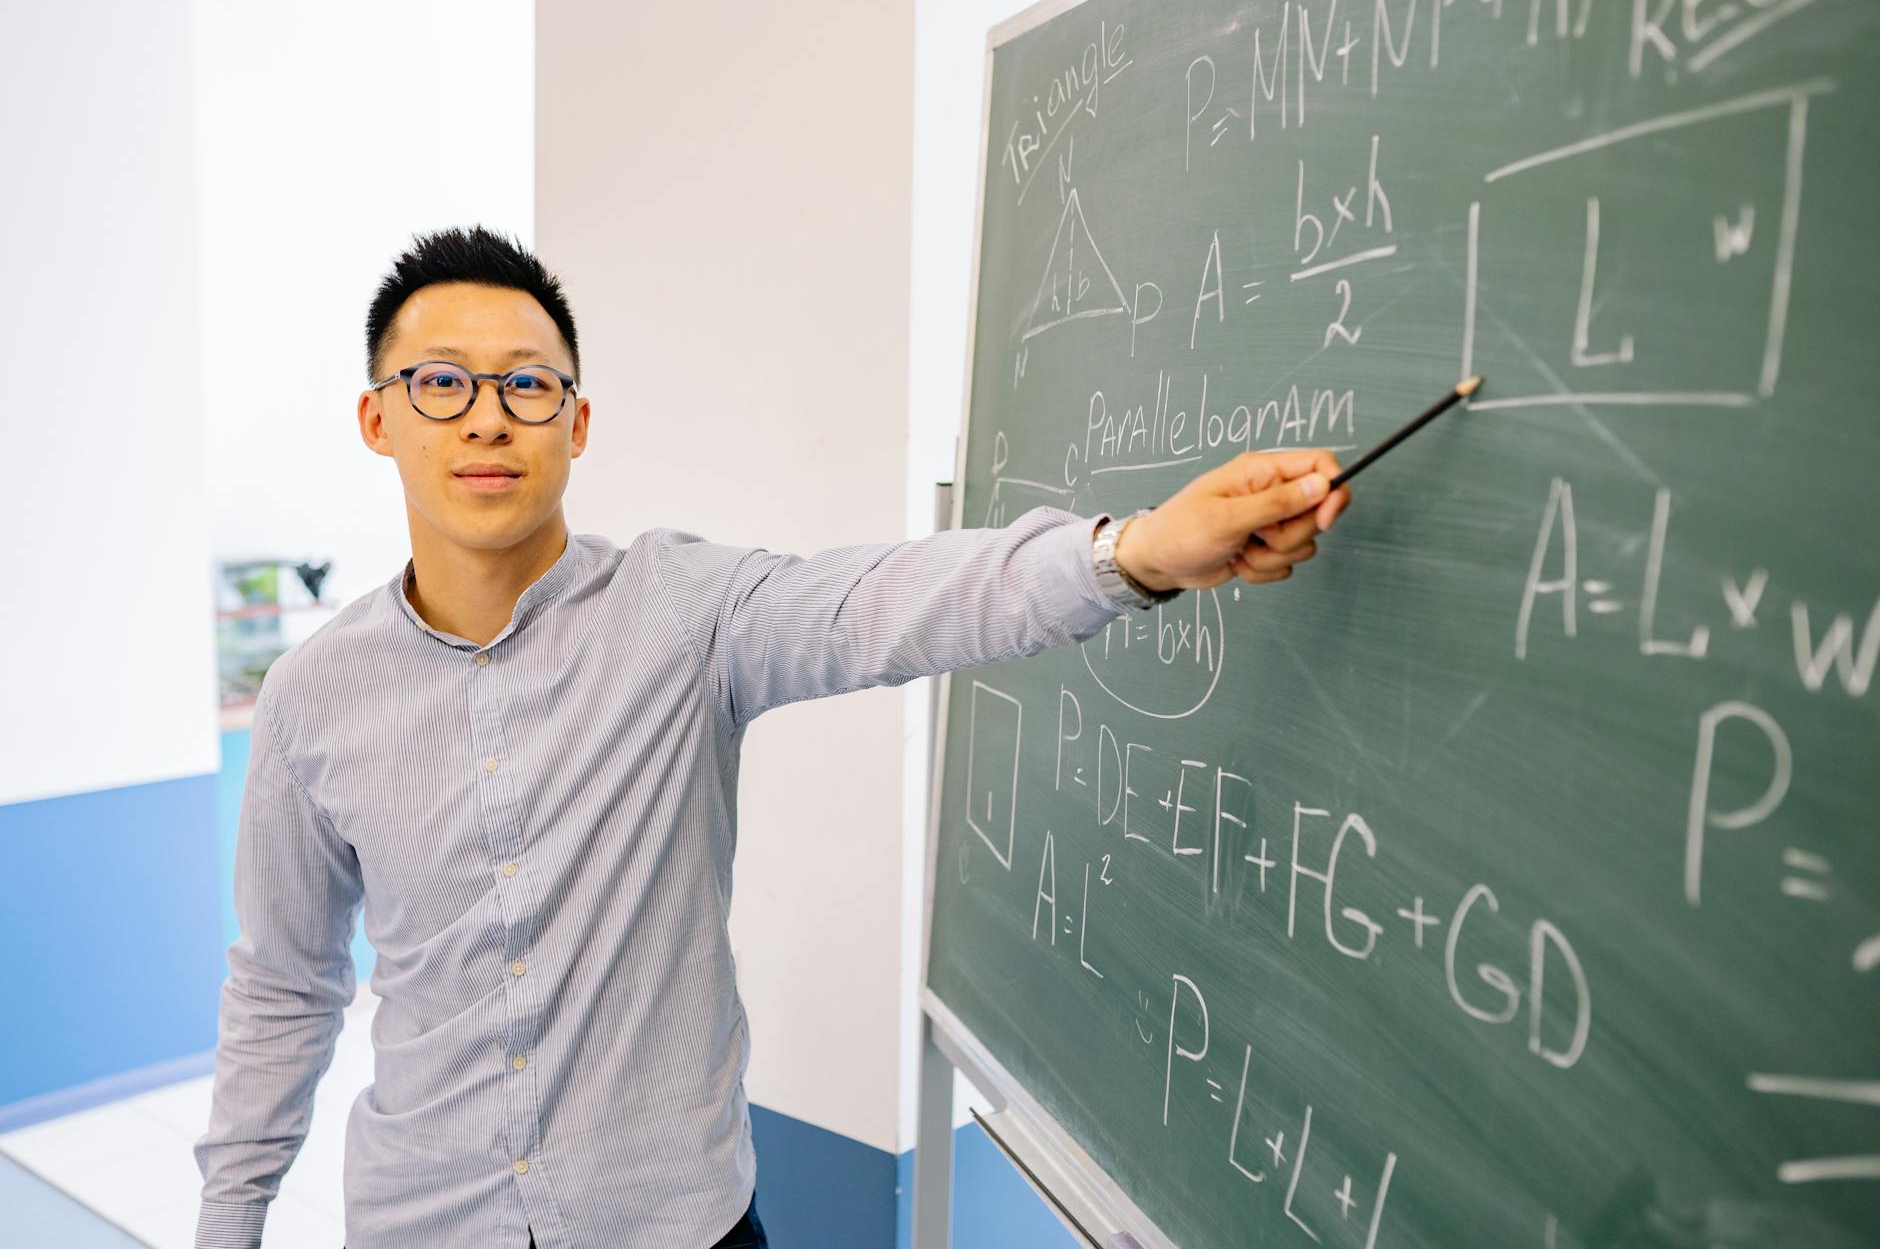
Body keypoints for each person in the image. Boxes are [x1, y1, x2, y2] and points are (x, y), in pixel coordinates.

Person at [191, 226, 1350, 1249]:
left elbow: (882, 601)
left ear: (577, 422)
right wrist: (226, 1225)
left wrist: (1133, 550)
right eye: (440, 381)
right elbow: (284, 988)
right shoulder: (310, 699)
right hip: (421, 1222)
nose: (487, 414)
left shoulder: (680, 612)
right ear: (376, 417)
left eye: (527, 384)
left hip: (675, 1223)